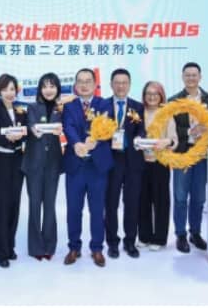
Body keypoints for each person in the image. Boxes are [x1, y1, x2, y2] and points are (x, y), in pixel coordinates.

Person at [62, 68, 113, 267]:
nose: (84, 85)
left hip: (97, 166)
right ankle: (74, 247)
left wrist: (94, 141)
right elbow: (68, 126)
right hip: (75, 166)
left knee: (97, 210)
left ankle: (97, 248)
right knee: (74, 210)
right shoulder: (69, 106)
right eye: (80, 81)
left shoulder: (105, 104)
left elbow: (107, 128)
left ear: (95, 84)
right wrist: (77, 144)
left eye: (88, 81)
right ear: (75, 85)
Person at [169, 62, 208, 253]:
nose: (191, 78)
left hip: (203, 155)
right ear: (182, 77)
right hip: (183, 154)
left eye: (194, 75)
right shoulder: (174, 101)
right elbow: (170, 128)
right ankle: (180, 234)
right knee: (180, 196)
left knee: (199, 197)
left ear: (200, 77)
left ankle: (195, 233)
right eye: (187, 75)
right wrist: (190, 131)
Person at [21, 73, 63, 261]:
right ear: (39, 89)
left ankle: (49, 246)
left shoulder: (61, 108)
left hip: (53, 163)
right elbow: (30, 123)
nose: (48, 90)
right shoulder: (32, 107)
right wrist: (33, 129)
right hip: (33, 163)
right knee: (34, 205)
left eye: (52, 86)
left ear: (58, 89)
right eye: (45, 86)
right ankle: (36, 247)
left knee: (50, 205)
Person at [104, 69, 146, 259]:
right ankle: (112, 242)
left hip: (132, 162)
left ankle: (130, 241)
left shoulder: (138, 107)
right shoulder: (102, 105)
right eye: (117, 82)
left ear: (129, 85)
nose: (121, 86)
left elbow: (142, 130)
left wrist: (139, 138)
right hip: (111, 161)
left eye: (124, 82)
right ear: (111, 84)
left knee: (131, 204)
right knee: (110, 204)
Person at [0, 74, 27, 268]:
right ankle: (0, 251)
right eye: (5, 89)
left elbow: (26, 132)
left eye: (12, 89)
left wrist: (21, 137)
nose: (9, 93)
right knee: (0, 207)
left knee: (14, 204)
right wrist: (8, 138)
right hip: (1, 161)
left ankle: (10, 247)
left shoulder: (21, 110)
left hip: (17, 160)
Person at [138, 81, 177, 251]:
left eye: (155, 93)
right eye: (148, 93)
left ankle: (160, 239)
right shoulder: (138, 112)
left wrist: (166, 142)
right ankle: (144, 236)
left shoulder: (166, 113)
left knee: (161, 201)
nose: (152, 96)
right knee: (142, 201)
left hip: (160, 162)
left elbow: (174, 139)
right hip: (141, 163)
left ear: (161, 95)